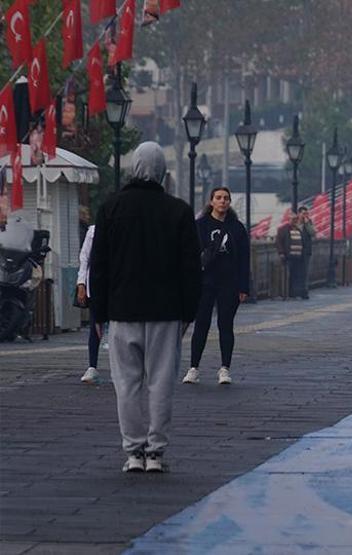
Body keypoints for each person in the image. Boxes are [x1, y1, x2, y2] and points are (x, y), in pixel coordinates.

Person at [89, 142, 201, 473]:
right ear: (163, 171)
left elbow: (99, 265)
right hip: (166, 312)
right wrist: (188, 312)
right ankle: (155, 452)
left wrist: (99, 312)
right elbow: (190, 268)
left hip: (123, 310)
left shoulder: (112, 208)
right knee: (161, 382)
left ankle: (133, 452)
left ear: (134, 167)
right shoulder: (178, 211)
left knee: (126, 383)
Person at [183, 187, 250, 386]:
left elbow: (244, 259)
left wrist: (244, 287)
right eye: (218, 198)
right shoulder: (200, 225)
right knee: (201, 324)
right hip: (205, 282)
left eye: (226, 198)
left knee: (225, 325)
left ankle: (224, 368)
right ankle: (193, 368)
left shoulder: (237, 228)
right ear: (211, 201)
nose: (222, 201)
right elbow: (190, 256)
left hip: (229, 283)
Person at [77, 224, 102, 384]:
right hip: (96, 285)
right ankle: (92, 366)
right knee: (95, 327)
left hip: (119, 287)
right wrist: (81, 283)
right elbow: (84, 257)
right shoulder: (93, 230)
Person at [275, 213, 305, 299]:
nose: (295, 221)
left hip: (298, 257)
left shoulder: (299, 230)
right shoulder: (283, 229)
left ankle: (293, 293)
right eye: (293, 219)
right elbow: (278, 242)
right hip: (288, 256)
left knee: (296, 275)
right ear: (289, 220)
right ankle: (285, 293)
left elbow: (303, 242)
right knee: (287, 275)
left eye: (296, 219)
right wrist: (281, 253)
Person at [297, 206, 315, 300]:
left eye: (306, 214)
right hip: (295, 251)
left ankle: (304, 291)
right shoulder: (295, 224)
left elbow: (313, 233)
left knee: (305, 272)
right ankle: (296, 290)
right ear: (299, 214)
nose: (305, 216)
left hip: (306, 251)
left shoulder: (308, 223)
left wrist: (307, 223)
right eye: (303, 214)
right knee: (297, 271)